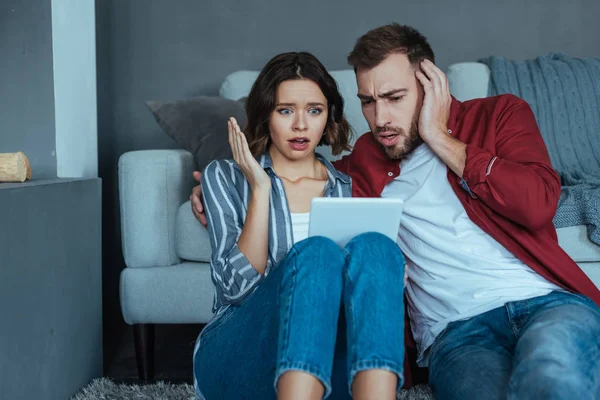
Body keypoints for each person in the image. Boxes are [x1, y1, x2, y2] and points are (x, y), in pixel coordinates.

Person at [192, 24, 600, 400]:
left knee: (552, 373)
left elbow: (537, 204)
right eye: (368, 102)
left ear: (430, 83)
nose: (380, 118)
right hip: (459, 334)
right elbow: (289, 185)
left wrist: (438, 137)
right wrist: (228, 192)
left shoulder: (497, 116)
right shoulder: (363, 164)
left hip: (546, 303)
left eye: (394, 98)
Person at [193, 51, 407, 400]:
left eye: (314, 110)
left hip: (324, 364)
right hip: (239, 354)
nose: (301, 125)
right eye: (286, 110)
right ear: (266, 115)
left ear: (329, 117)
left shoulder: (348, 188)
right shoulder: (227, 177)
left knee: (380, 247)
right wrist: (259, 188)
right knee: (318, 251)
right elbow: (235, 290)